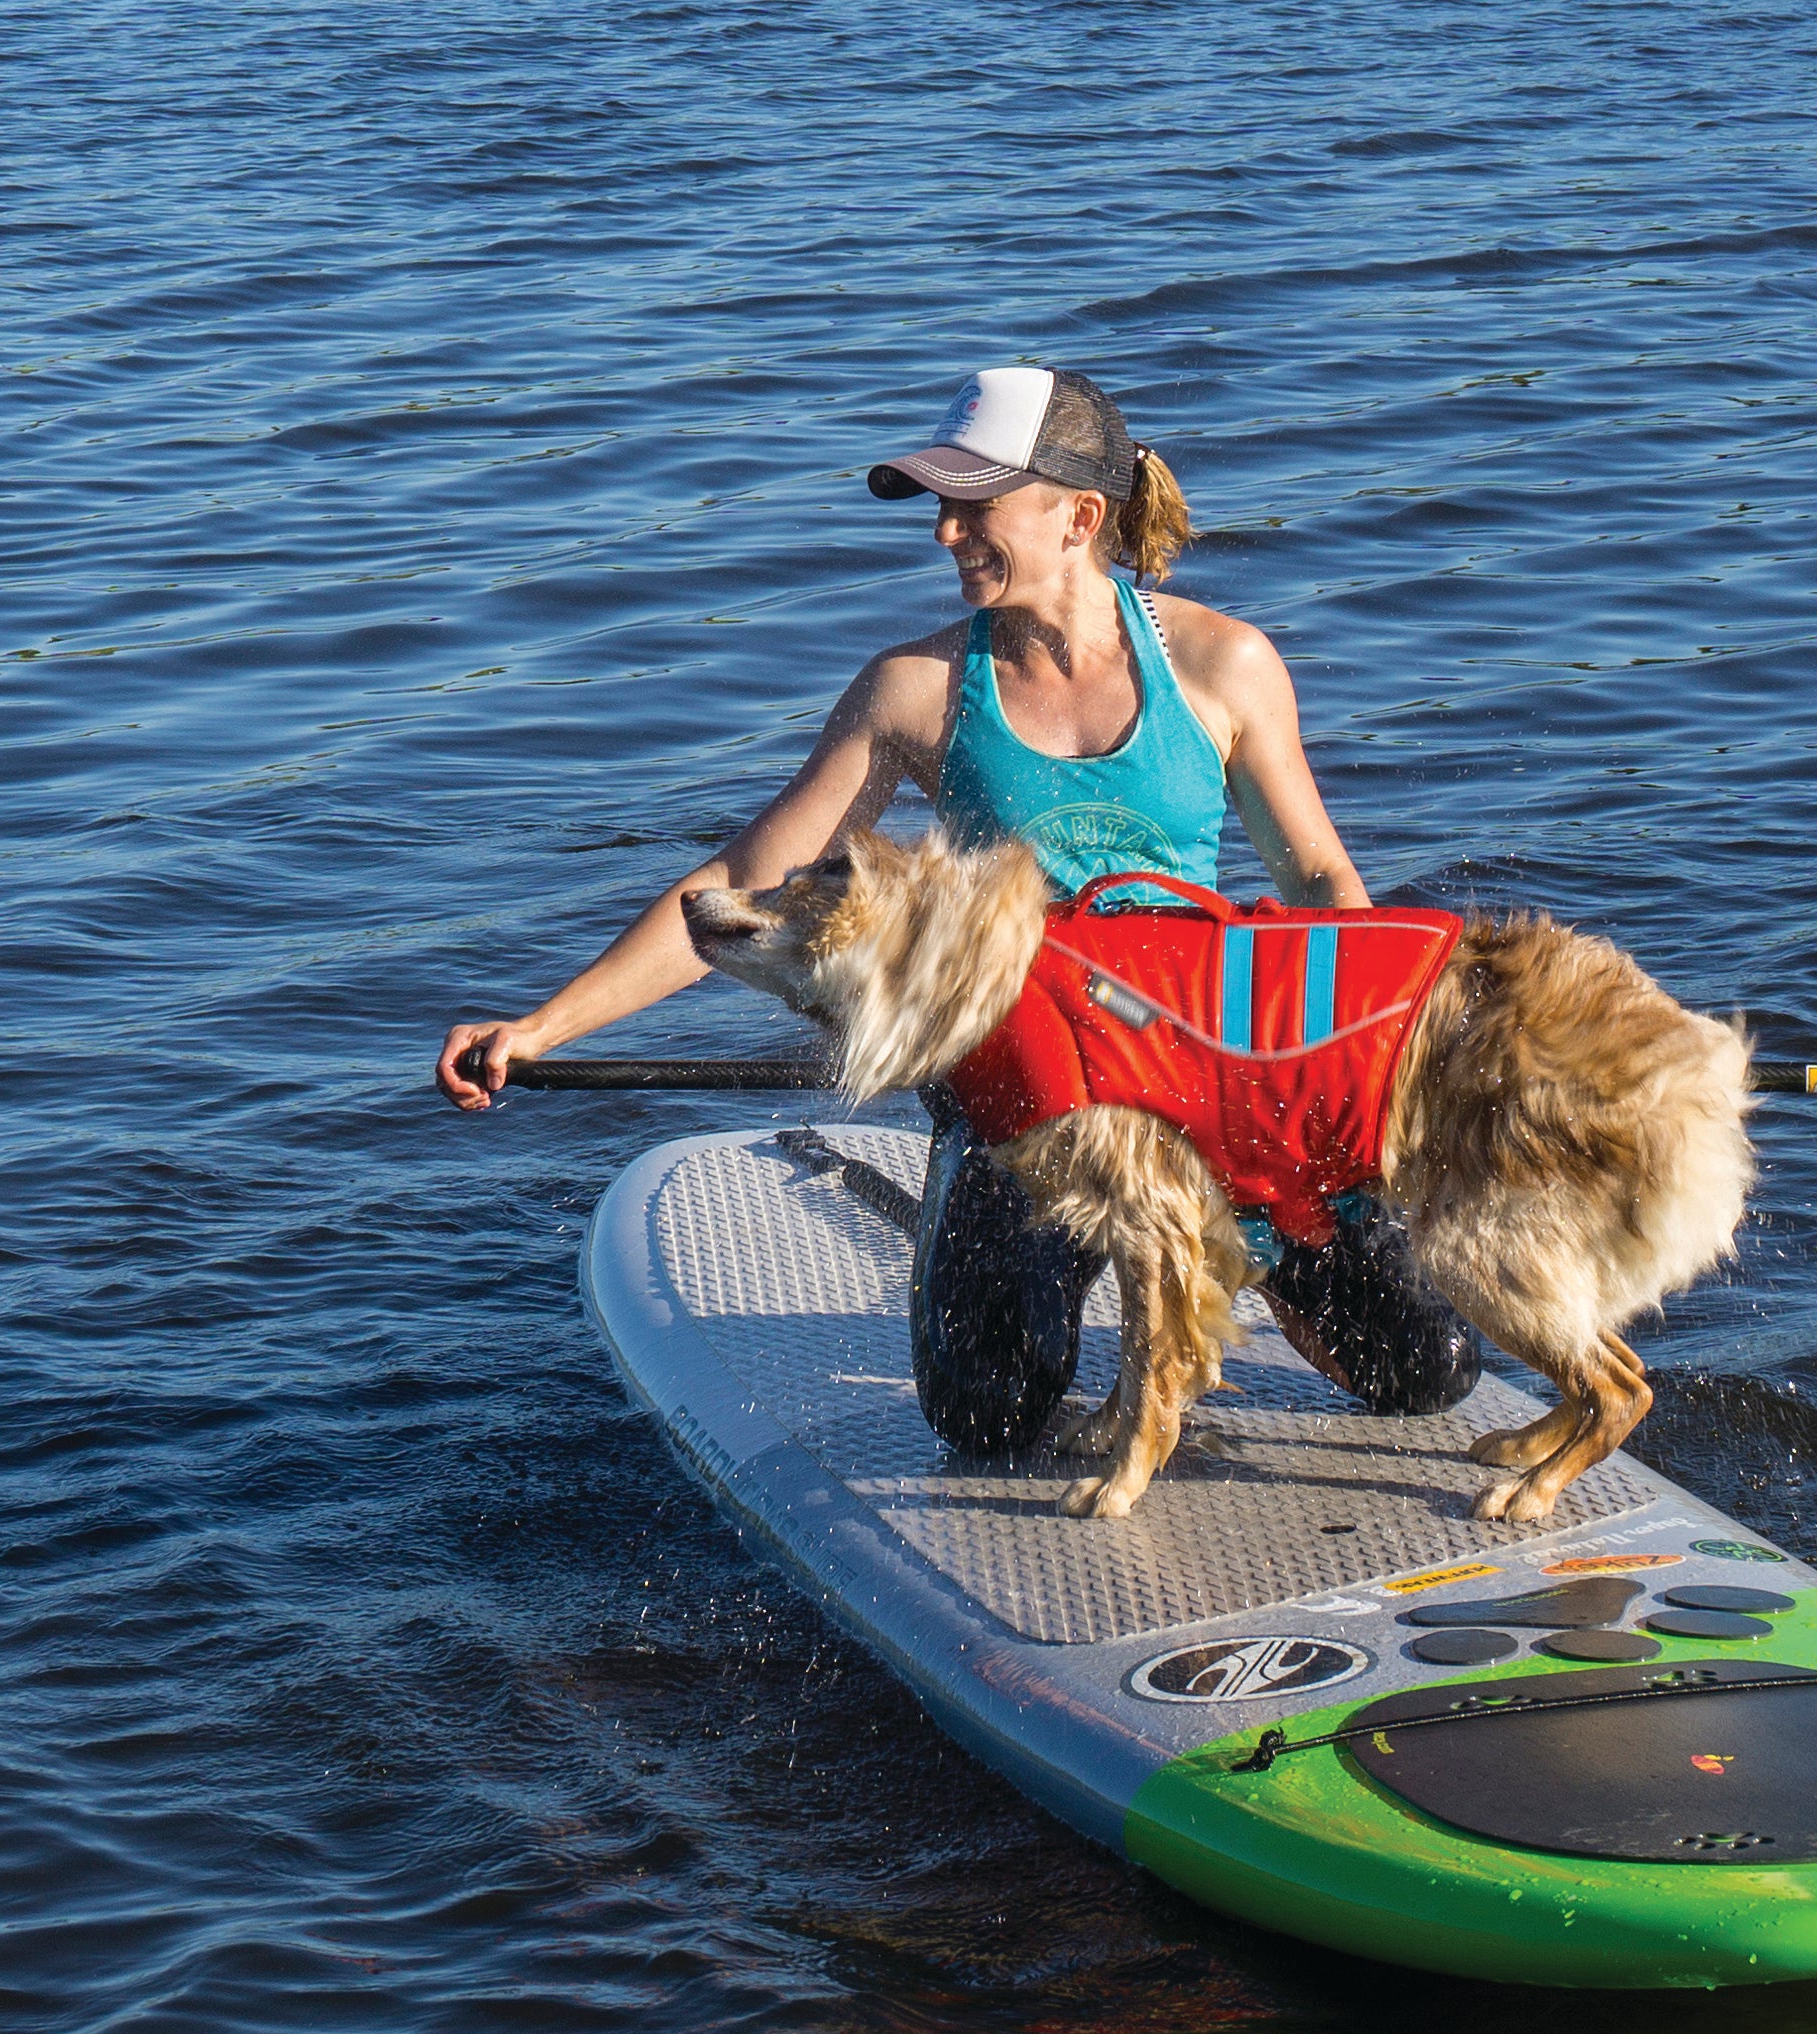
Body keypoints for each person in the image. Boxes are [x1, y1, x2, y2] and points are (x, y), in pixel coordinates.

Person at [435, 365, 1478, 1453]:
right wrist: (540, 1028)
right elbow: (747, 879)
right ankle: (1082, 1269)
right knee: (989, 1409)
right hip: (1017, 1092)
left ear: (1079, 516)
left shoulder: (1225, 665)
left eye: (975, 504)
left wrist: (1349, 1095)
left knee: (1428, 1376)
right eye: (939, 505)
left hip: (1204, 1073)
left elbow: (1317, 885)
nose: (944, 533)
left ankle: (1242, 1251)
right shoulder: (916, 694)